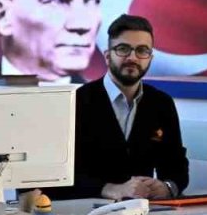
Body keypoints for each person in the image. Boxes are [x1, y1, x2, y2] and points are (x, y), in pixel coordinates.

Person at [58, 14, 189, 201]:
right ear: (107, 56)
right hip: (85, 209)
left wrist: (167, 187)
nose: (132, 57)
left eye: (142, 50)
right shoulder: (75, 102)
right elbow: (56, 176)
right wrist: (109, 189)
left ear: (150, 58)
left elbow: (176, 166)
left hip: (144, 212)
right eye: (123, 49)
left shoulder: (162, 103)